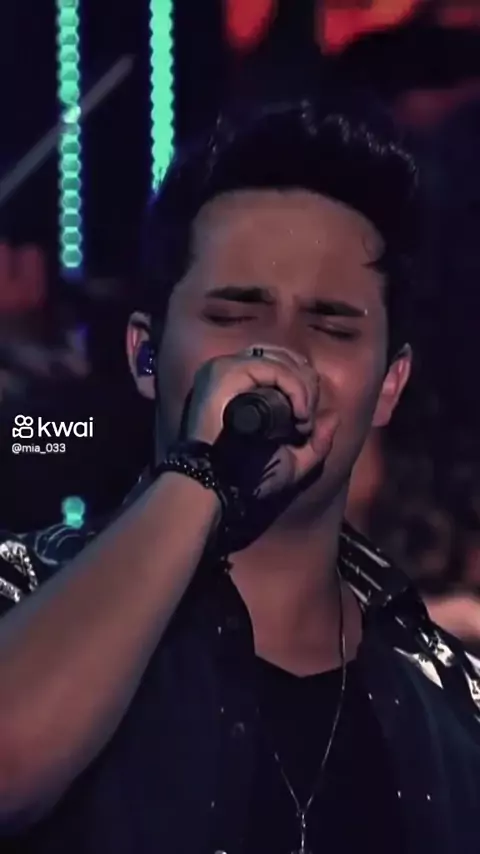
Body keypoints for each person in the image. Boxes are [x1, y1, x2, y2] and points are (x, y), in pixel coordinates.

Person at [0, 90, 479, 854]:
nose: (280, 352)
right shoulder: (24, 593)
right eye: (233, 315)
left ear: (389, 385)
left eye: (331, 326)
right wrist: (203, 476)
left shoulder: (451, 698)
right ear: (145, 355)